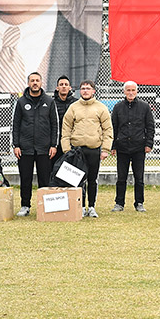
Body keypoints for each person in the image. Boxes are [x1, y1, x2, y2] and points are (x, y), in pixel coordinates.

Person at [61, 80, 113, 218]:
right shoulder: (73, 108)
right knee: (77, 180)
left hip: (94, 149)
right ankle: (80, 206)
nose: (85, 91)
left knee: (92, 179)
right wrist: (67, 149)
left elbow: (108, 130)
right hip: (77, 151)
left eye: (88, 88)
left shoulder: (101, 108)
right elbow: (66, 129)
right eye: (83, 88)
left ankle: (91, 206)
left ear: (93, 91)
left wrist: (105, 149)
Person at [11, 74, 57, 216]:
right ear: (28, 83)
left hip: (44, 148)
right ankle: (25, 206)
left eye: (37, 81)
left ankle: (45, 206)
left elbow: (55, 125)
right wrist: (16, 145)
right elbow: (15, 125)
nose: (35, 83)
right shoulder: (21, 102)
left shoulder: (49, 102)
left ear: (41, 83)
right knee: (25, 178)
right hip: (25, 148)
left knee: (44, 178)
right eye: (32, 81)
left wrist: (53, 145)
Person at [110, 81, 155, 213]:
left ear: (137, 91)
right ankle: (119, 203)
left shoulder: (144, 107)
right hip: (122, 147)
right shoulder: (118, 107)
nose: (130, 92)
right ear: (124, 91)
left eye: (133, 90)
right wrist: (113, 146)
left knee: (139, 178)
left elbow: (150, 127)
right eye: (128, 90)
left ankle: (139, 202)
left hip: (139, 148)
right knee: (121, 177)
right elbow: (114, 127)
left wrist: (148, 144)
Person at [51, 75, 75, 164]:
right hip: (56, 143)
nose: (64, 86)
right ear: (57, 88)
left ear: (70, 87)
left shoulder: (76, 103)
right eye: (61, 84)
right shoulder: (51, 103)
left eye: (66, 84)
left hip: (72, 143)